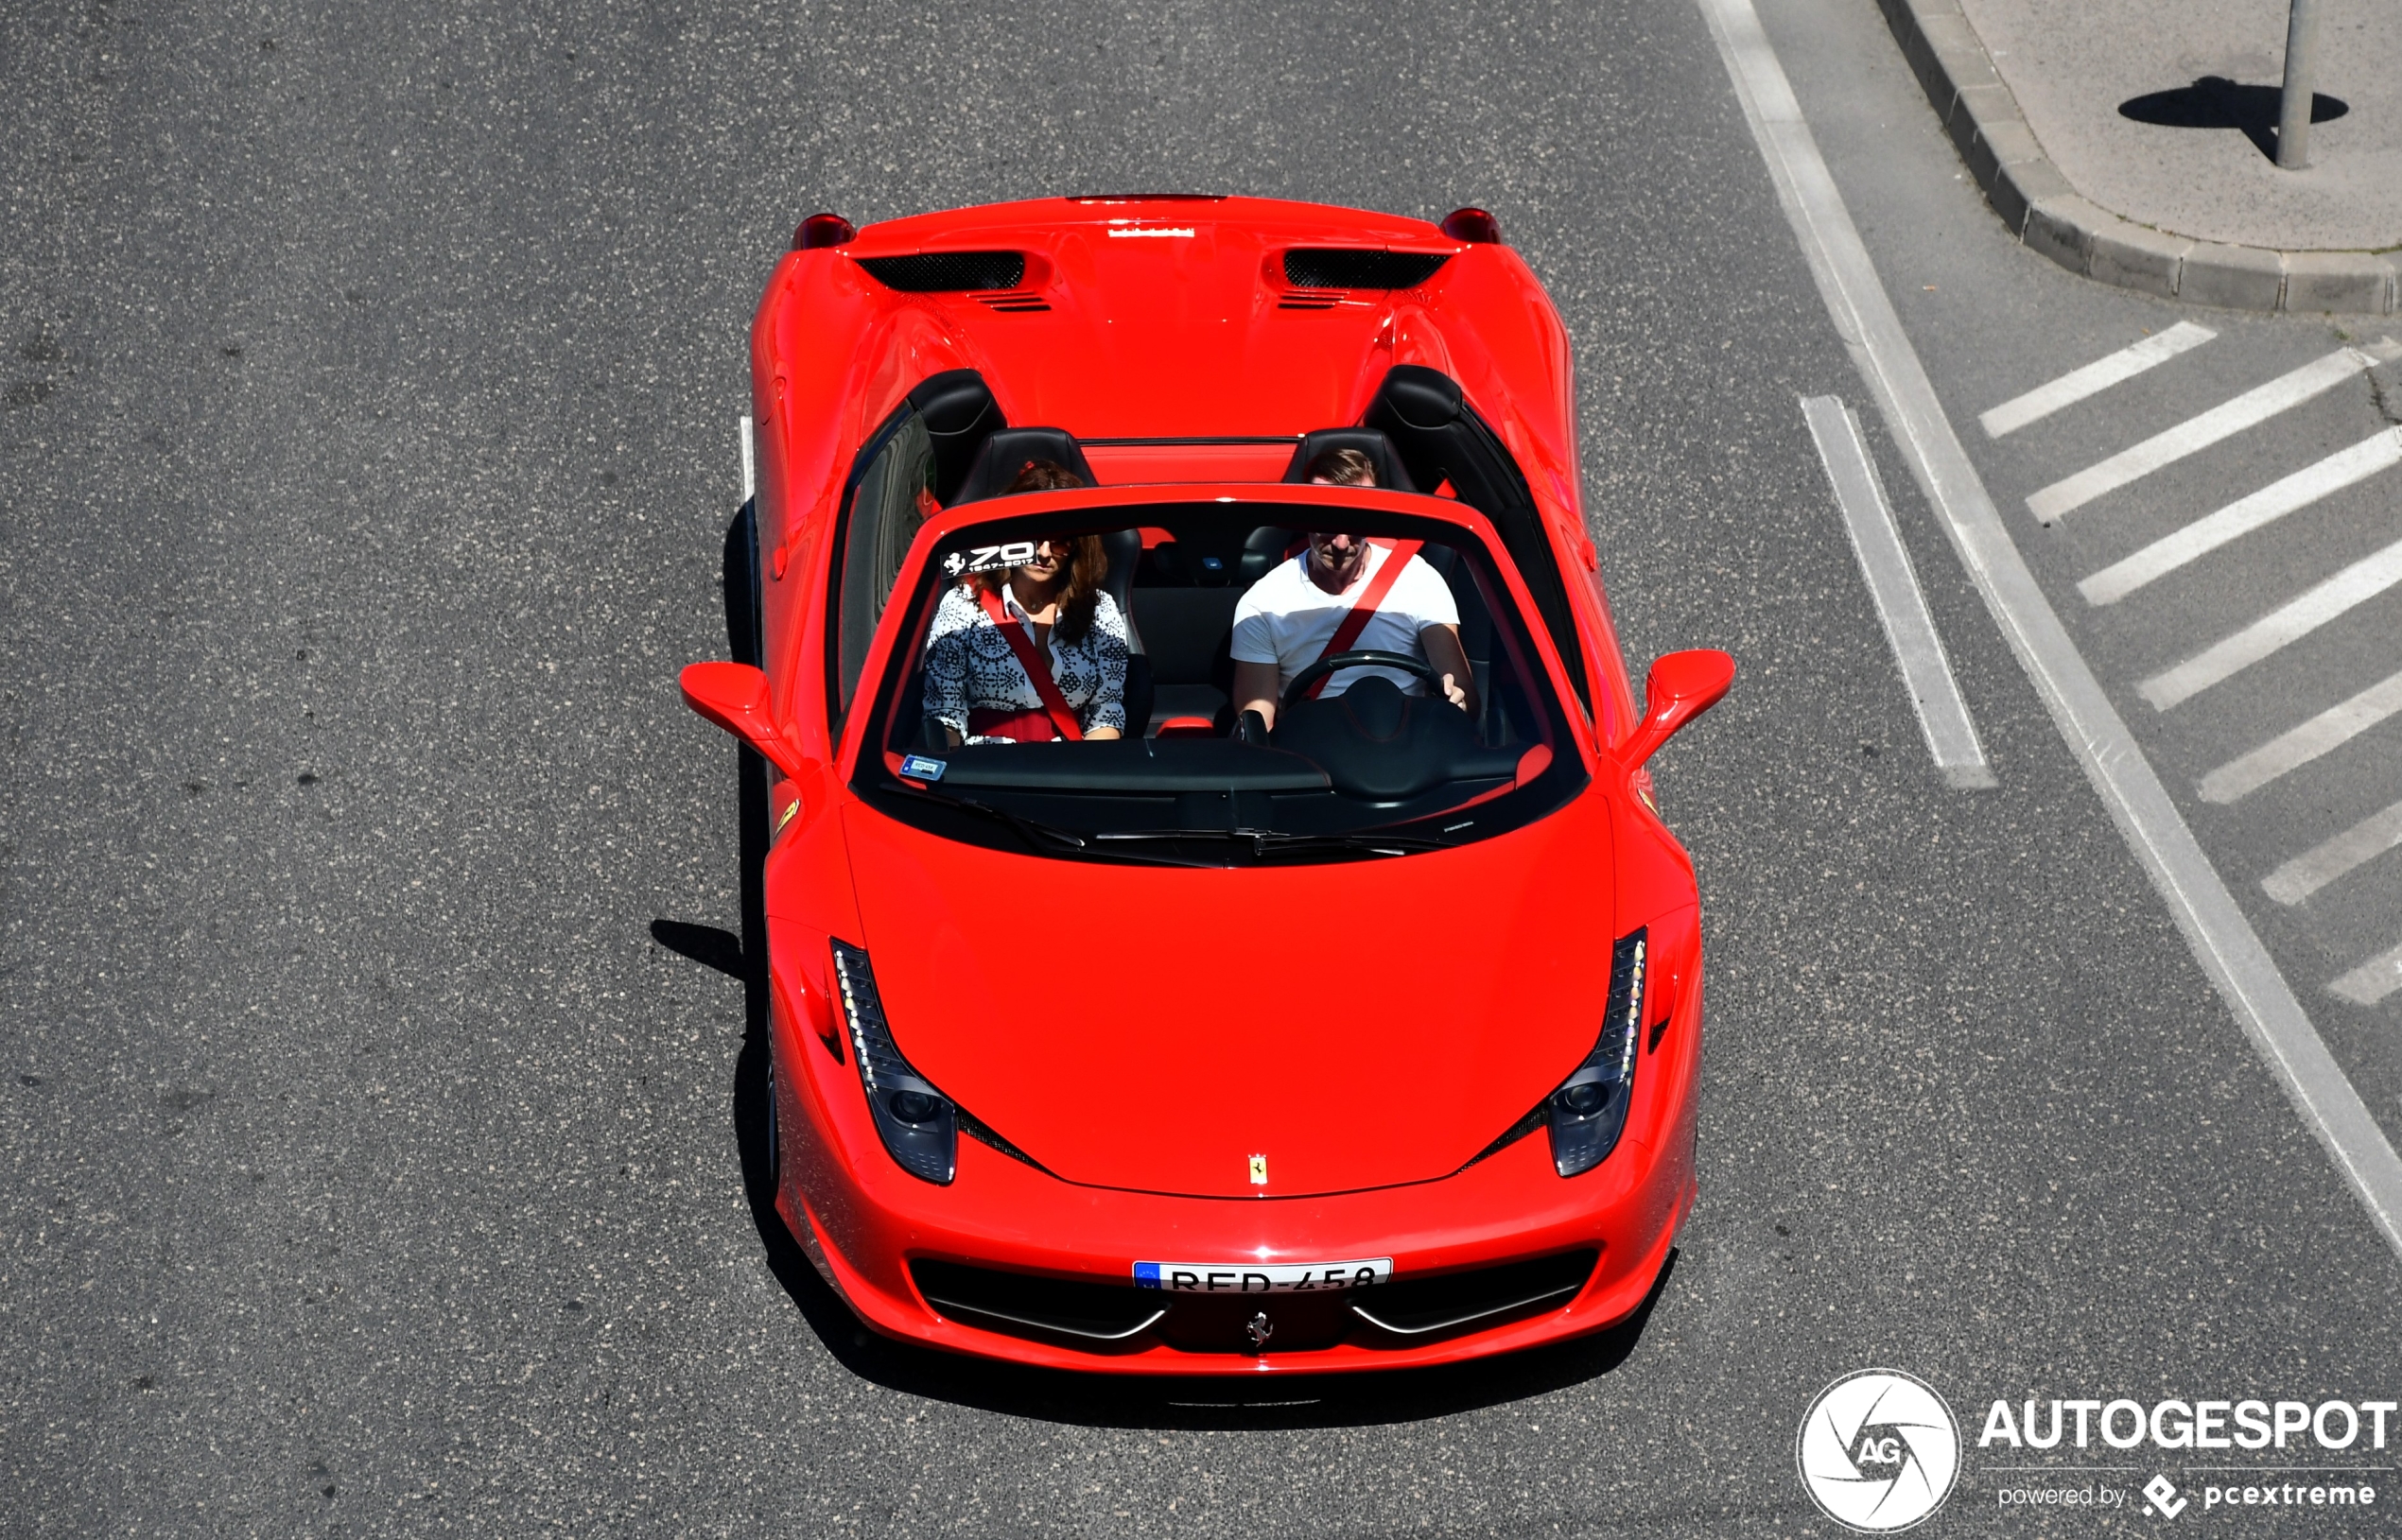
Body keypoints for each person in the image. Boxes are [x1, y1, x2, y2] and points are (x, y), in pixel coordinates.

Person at [1228, 447, 1477, 732]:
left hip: (1405, 750)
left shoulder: (1420, 581)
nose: (1341, 543)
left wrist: (1455, 701)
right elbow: (1258, 725)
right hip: (1312, 757)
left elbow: (1464, 701)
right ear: (1303, 516)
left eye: (1355, 522)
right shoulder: (1262, 604)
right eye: (1326, 523)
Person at [921, 460, 1128, 745]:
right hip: (984, 773)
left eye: (1060, 542)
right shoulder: (963, 606)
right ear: (1009, 536)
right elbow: (944, 718)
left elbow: (1107, 713)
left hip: (1075, 770)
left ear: (1077, 545)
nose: (1044, 553)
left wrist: (1082, 778)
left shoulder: (1099, 611)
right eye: (1033, 539)